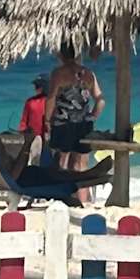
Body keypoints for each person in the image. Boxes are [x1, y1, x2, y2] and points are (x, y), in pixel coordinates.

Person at [47, 40, 104, 203]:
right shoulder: (89, 74)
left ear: (61, 55)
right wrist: (92, 117)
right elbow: (100, 100)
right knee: (81, 164)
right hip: (84, 125)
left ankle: (62, 199)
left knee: (62, 162)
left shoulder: (58, 73)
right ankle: (82, 201)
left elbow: (51, 99)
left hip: (63, 123)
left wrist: (46, 120)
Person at [18, 75, 49, 141]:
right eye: (35, 86)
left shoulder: (51, 101)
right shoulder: (30, 101)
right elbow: (24, 120)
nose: (35, 88)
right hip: (32, 136)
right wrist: (22, 130)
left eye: (38, 86)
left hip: (47, 136)